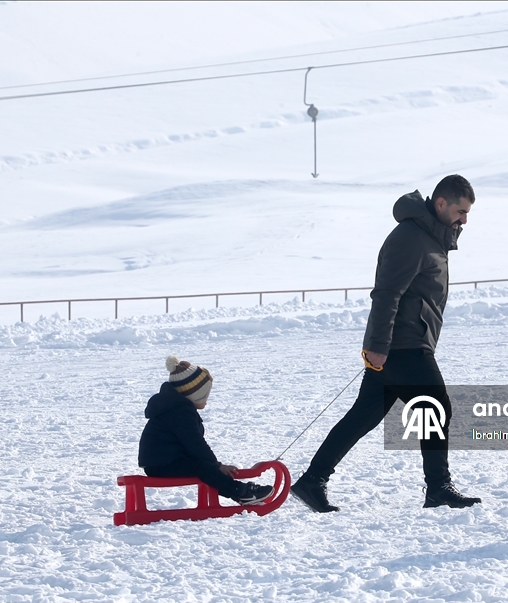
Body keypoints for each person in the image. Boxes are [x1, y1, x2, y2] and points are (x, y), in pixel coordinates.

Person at [291, 175, 481, 512]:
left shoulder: (432, 237)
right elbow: (386, 293)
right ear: (440, 204)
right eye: (460, 211)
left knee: (363, 416)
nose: (464, 219)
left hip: (404, 341)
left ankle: (312, 480)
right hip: (402, 344)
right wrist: (379, 344)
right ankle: (438, 488)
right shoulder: (411, 237)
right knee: (436, 407)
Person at [138, 356, 272, 505]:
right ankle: (240, 492)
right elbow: (195, 443)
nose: (207, 400)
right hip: (162, 465)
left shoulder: (175, 407)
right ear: (195, 394)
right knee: (202, 467)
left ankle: (238, 493)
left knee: (203, 465)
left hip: (163, 462)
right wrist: (216, 465)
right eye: (206, 395)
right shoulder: (180, 411)